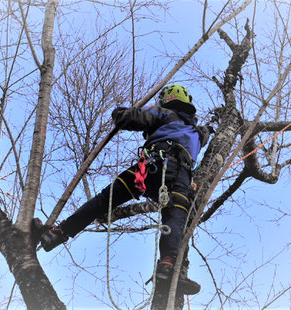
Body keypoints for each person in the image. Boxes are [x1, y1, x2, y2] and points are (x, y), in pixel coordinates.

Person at [32, 84, 212, 295]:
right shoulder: (199, 134)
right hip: (179, 176)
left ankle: (58, 233)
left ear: (167, 99)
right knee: (176, 216)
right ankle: (168, 265)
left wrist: (121, 114)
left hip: (150, 168)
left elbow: (132, 118)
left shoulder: (165, 113)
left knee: (104, 200)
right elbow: (205, 134)